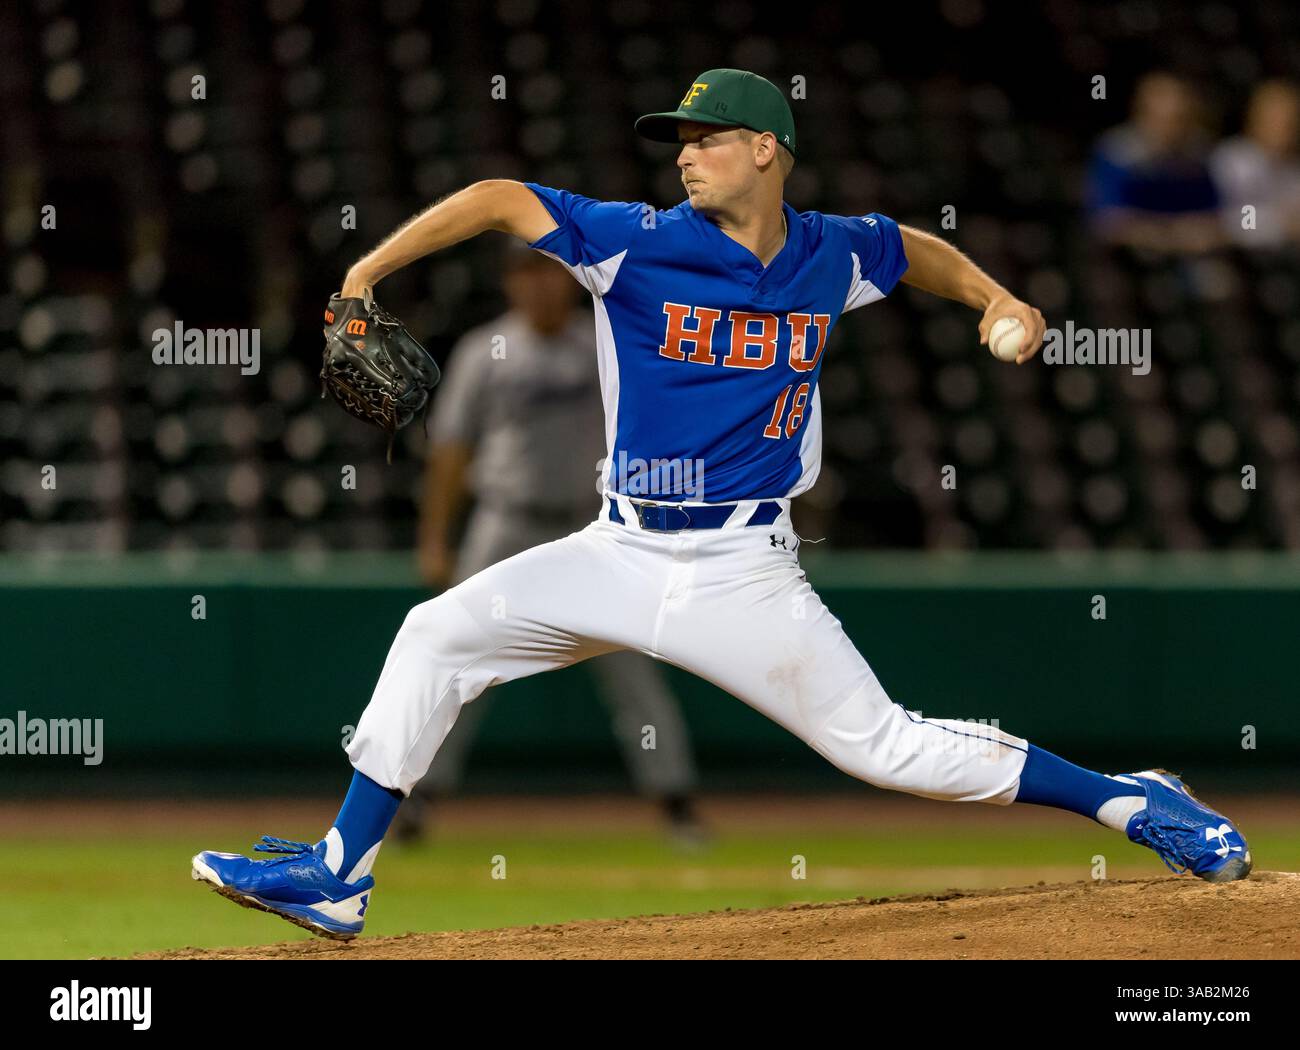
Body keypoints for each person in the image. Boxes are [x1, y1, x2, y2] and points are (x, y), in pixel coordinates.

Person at [193, 69, 1251, 940]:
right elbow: (499, 197)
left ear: (765, 151)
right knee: (435, 632)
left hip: (741, 571)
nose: (684, 151)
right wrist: (366, 273)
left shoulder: (828, 250)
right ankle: (342, 871)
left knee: (886, 750)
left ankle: (1129, 797)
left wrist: (996, 297)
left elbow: (909, 247)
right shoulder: (636, 242)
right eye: (679, 139)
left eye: (705, 136)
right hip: (614, 549)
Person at [396, 241, 706, 844]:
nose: (538, 285)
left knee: (632, 664)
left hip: (591, 525)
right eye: (525, 273)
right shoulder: (485, 350)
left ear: (569, 282)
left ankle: (676, 801)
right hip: (506, 521)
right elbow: (452, 450)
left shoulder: (604, 341)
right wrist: (436, 537)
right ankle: (414, 799)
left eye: (548, 273)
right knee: (457, 658)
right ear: (510, 283)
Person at [1086, 72, 1224, 253]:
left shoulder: (1199, 154)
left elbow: (1215, 215)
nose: (1172, 129)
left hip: (1191, 251)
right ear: (1141, 113)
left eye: (1180, 119)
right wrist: (1162, 234)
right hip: (1127, 256)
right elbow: (1106, 220)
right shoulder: (1117, 153)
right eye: (1163, 119)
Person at [1210, 79, 1300, 248]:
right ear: (1255, 118)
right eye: (1275, 119)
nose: (1285, 128)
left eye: (1292, 121)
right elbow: (1241, 222)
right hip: (1239, 256)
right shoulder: (1234, 160)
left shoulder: (1294, 167)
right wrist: (1281, 223)